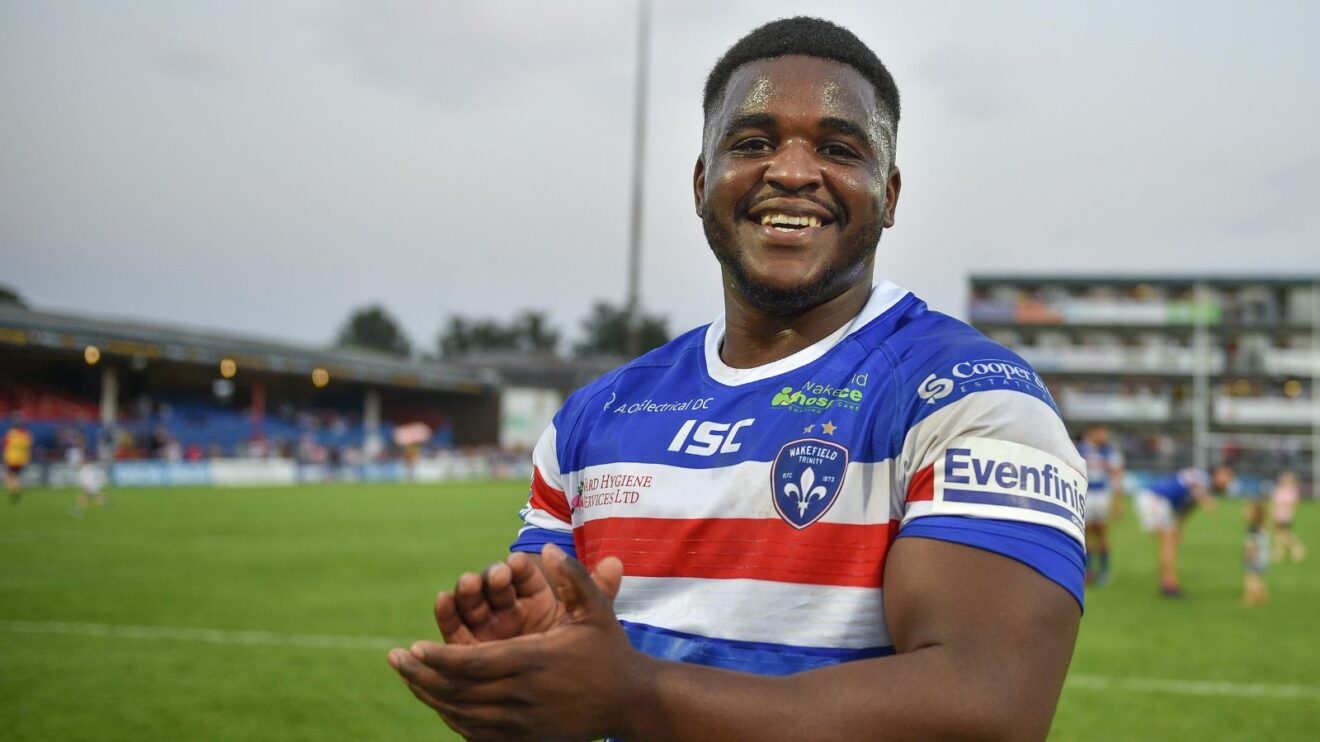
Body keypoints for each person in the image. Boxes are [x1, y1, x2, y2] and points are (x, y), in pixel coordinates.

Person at [390, 18, 1087, 740]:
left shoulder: (971, 397)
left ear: (889, 193)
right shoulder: (594, 419)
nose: (792, 172)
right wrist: (521, 678)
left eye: (838, 149)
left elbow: (990, 703)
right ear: (702, 183)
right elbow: (572, 680)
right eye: (752, 143)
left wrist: (636, 694)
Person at [1134, 465, 1233, 597]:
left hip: (1158, 502)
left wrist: (1179, 526)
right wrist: (1206, 500)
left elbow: (1187, 508)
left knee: (1170, 541)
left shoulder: (1204, 481)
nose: (1227, 480)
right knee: (1169, 541)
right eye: (1225, 475)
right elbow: (1196, 491)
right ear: (1216, 473)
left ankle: (1166, 580)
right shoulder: (1204, 479)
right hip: (1155, 500)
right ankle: (1169, 585)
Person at [1078, 424, 1124, 585]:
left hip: (1102, 495)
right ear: (1093, 432)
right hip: (1086, 494)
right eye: (1102, 432)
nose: (1105, 435)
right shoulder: (1080, 449)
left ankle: (1104, 571)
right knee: (1086, 533)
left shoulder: (1109, 451)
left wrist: (1118, 501)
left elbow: (1117, 474)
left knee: (1102, 531)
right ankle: (1088, 570)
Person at [1241, 484, 1270, 606]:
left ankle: (1249, 598)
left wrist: (1248, 555)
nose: (1244, 512)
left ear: (1253, 514)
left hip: (1254, 558)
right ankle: (1263, 597)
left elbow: (1252, 544)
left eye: (1247, 511)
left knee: (1250, 579)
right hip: (1262, 558)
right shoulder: (1261, 527)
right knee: (1258, 578)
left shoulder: (1253, 528)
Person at [1271, 470, 1306, 563]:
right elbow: (1274, 502)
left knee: (1284, 534)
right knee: (1279, 534)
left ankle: (1296, 548)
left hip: (1286, 516)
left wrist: (1283, 504)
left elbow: (1292, 503)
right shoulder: (1279, 490)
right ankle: (1280, 552)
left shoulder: (1292, 491)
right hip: (1278, 515)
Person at [4, 416, 33, 503]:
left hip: (12, 458)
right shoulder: (26, 434)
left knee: (10, 475)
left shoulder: (11, 433)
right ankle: (18, 488)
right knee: (17, 475)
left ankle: (14, 490)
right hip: (22, 458)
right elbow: (29, 446)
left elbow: (6, 445)